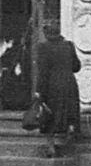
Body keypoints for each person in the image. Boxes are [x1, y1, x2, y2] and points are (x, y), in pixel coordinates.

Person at [34, 24, 85, 157]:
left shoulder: (43, 47)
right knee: (69, 111)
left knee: (48, 114)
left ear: (46, 34)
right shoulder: (68, 45)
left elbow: (43, 71)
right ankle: (70, 133)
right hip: (69, 82)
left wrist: (39, 91)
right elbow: (76, 66)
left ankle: (51, 147)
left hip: (52, 84)